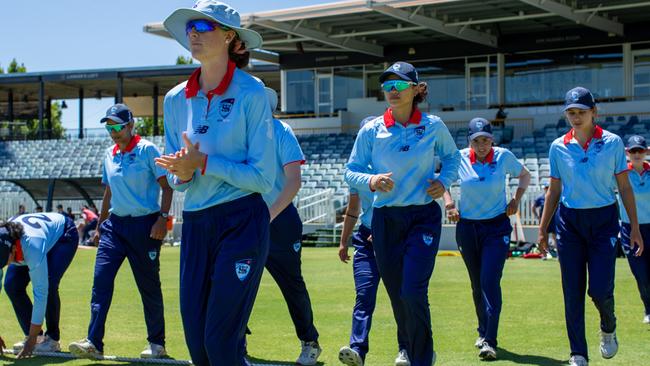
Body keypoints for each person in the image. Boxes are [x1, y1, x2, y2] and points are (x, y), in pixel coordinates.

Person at [155, 1, 276, 365]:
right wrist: (185, 173)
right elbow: (176, 177)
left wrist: (204, 163)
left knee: (220, 343)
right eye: (191, 26)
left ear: (229, 37)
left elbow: (263, 177)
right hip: (196, 223)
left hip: (242, 220)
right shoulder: (175, 99)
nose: (193, 32)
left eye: (204, 27)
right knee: (198, 345)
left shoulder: (252, 92)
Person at [345, 61, 460, 366]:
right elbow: (351, 172)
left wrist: (443, 181)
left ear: (417, 89)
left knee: (412, 291)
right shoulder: (371, 130)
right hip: (385, 221)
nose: (392, 91)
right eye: (386, 86)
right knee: (398, 295)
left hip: (422, 217)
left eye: (399, 85)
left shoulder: (433, 125)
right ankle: (409, 348)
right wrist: (370, 180)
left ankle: (421, 357)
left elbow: (452, 158)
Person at [538, 86, 644, 366]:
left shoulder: (612, 143)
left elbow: (624, 187)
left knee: (599, 290)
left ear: (594, 112)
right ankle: (578, 353)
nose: (575, 117)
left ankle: (608, 327)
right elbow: (554, 190)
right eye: (571, 112)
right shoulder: (558, 146)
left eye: (581, 112)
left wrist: (634, 227)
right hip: (569, 224)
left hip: (604, 221)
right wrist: (542, 228)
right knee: (572, 291)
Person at [68, 104, 173, 360]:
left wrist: (162, 219)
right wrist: (101, 225)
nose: (113, 132)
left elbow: (167, 187)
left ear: (131, 125)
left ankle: (157, 345)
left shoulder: (147, 149)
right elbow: (108, 192)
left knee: (148, 286)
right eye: (109, 127)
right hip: (114, 228)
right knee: (101, 282)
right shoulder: (109, 153)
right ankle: (94, 341)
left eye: (117, 126)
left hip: (145, 226)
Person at [244, 86, 320, 365]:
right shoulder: (239, 134)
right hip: (246, 219)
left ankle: (310, 342)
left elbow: (294, 181)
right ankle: (237, 340)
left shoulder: (281, 131)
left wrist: (268, 215)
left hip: (280, 220)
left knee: (291, 284)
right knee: (235, 282)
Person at [442, 118, 530, 360]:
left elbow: (525, 176)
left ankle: (490, 340)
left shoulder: (503, 157)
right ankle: (482, 330)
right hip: (467, 228)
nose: (482, 145)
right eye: (476, 140)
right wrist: (449, 203)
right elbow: (442, 182)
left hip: (496, 227)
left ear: (493, 139)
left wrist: (515, 200)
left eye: (486, 140)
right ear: (469, 141)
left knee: (489, 280)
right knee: (476, 283)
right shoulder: (458, 157)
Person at [338, 116, 409, 366]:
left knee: (401, 297)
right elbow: (353, 209)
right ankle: (357, 350)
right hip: (365, 242)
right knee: (364, 295)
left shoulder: (394, 164)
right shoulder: (357, 172)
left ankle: (406, 349)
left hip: (393, 240)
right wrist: (344, 241)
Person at [0, 212, 78, 358]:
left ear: (13, 248)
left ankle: (52, 339)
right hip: (38, 237)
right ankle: (38, 337)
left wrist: (31, 340)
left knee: (49, 282)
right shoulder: (5, 241)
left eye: (5, 259)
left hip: (63, 235)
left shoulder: (32, 245)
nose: (5, 264)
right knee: (11, 285)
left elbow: (41, 292)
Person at [618, 135, 650, 325]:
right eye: (633, 151)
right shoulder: (621, 175)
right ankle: (648, 308)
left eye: (640, 150)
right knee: (641, 273)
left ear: (646, 152)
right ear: (627, 153)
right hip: (629, 229)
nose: (637, 154)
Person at [533, 183, 557, 258]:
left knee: (556, 237)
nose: (546, 189)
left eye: (548, 187)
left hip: (553, 220)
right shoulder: (540, 198)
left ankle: (558, 255)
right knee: (544, 237)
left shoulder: (554, 198)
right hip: (544, 221)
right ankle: (544, 254)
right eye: (545, 188)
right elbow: (533, 208)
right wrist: (537, 216)